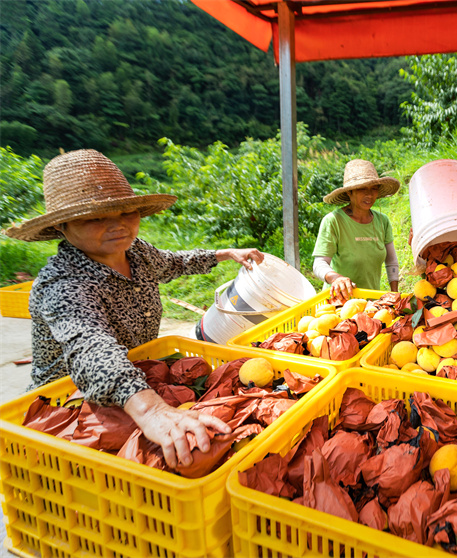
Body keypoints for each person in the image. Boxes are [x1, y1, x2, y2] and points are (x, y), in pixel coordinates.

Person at [2, 149, 264, 469]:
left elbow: (172, 263)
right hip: (70, 407)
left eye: (128, 212)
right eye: (96, 217)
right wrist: (151, 411)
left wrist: (224, 254)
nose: (118, 225)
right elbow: (92, 349)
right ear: (62, 226)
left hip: (137, 381)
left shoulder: (136, 252)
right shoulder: (61, 284)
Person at [313, 159, 400, 302]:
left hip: (371, 304)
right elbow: (319, 263)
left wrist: (395, 295)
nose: (370, 195)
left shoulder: (382, 221)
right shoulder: (334, 221)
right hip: (338, 304)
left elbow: (391, 262)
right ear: (349, 192)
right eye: (362, 189)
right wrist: (336, 278)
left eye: (374, 188)